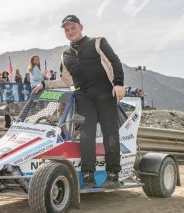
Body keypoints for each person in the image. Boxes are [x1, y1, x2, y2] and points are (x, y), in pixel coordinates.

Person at [33, 15, 125, 189]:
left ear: (80, 27)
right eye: (66, 30)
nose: (70, 32)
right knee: (86, 137)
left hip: (106, 94)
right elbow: (66, 81)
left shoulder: (97, 42)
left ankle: (113, 176)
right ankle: (88, 177)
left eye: (72, 28)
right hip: (83, 98)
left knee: (110, 134)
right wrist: (44, 83)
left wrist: (118, 83)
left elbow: (115, 62)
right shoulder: (65, 55)